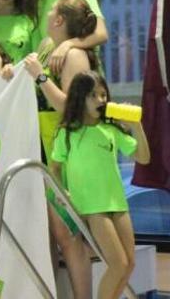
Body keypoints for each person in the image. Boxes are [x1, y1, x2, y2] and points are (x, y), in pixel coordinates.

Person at [22, 0, 103, 299]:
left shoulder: (74, 57)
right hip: (42, 147)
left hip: (64, 150)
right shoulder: (46, 46)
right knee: (49, 235)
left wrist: (40, 77)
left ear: (58, 20)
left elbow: (69, 108)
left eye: (51, 10)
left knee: (68, 234)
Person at [51, 71, 149, 299]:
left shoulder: (112, 129)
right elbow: (54, 168)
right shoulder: (68, 132)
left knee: (129, 264)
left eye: (103, 94)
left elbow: (143, 158)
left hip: (117, 201)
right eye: (93, 95)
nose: (101, 100)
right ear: (79, 98)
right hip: (92, 205)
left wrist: (137, 126)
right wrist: (61, 192)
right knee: (118, 264)